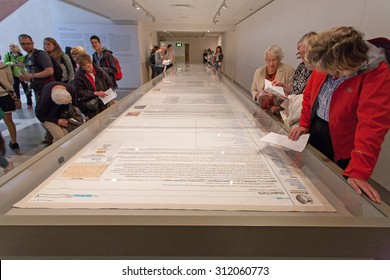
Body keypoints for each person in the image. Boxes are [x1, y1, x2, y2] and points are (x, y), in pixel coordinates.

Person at [288, 26, 390, 203]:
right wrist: (304, 123)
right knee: (309, 182)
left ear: (346, 66)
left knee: (336, 196)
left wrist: (358, 171)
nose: (330, 76)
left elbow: (372, 125)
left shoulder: (376, 71)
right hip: (315, 129)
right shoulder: (325, 55)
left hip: (342, 144)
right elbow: (310, 96)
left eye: (333, 73)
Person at [273, 32, 317, 126]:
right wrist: (283, 86)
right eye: (299, 54)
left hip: (308, 118)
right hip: (296, 114)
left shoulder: (322, 70)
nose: (302, 57)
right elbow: (295, 91)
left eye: (304, 53)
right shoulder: (302, 67)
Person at [250, 45, 294, 110]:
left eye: (274, 60)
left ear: (280, 59)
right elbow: (253, 90)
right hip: (261, 109)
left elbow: (292, 93)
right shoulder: (258, 72)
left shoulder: (289, 70)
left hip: (279, 111)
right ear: (265, 60)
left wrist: (277, 96)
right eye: (268, 60)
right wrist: (259, 95)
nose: (271, 64)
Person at [74, 54, 112, 119]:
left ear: (91, 62)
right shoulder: (79, 76)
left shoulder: (99, 71)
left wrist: (108, 93)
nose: (88, 69)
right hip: (91, 105)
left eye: (89, 66)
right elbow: (78, 92)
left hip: (104, 100)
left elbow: (109, 82)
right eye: (84, 68)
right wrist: (94, 93)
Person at [18, 34, 54, 103]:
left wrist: (31, 75)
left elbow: (49, 71)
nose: (26, 46)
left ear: (32, 43)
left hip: (47, 88)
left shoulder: (40, 54)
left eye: (28, 43)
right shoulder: (26, 57)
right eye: (23, 44)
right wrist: (26, 77)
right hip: (37, 89)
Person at [3, 43, 32, 109]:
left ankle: (29, 103)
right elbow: (5, 62)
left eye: (13, 46)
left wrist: (22, 64)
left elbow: (26, 64)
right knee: (16, 90)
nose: (11, 48)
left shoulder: (22, 55)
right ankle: (18, 103)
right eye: (10, 46)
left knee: (26, 89)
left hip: (22, 74)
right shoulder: (8, 55)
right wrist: (10, 63)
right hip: (13, 75)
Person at [0, 54, 19, 149]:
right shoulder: (5, 66)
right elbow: (11, 81)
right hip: (5, 96)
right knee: (9, 121)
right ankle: (14, 141)